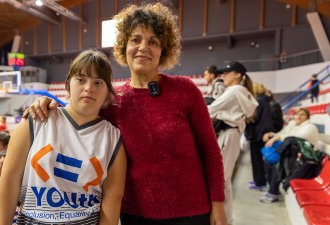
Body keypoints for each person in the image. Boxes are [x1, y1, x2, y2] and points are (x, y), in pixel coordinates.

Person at [23, 3, 227, 225]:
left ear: (163, 50)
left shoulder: (185, 90)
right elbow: (75, 118)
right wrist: (48, 104)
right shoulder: (111, 103)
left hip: (192, 213)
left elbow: (211, 152)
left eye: (153, 42)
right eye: (135, 39)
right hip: (134, 215)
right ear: (124, 46)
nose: (143, 47)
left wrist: (218, 204)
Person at [0, 50, 127, 225]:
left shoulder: (112, 138)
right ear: (68, 84)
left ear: (107, 92)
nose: (89, 88)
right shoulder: (35, 120)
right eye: (81, 80)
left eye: (98, 82)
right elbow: (9, 179)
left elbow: (112, 198)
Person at [208, 61, 258, 225]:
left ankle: (221, 219)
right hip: (232, 135)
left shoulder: (234, 91)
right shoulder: (241, 91)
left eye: (227, 73)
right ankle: (227, 219)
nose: (223, 76)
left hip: (227, 134)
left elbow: (210, 110)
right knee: (225, 181)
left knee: (220, 179)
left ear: (237, 74)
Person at [260, 108, 319, 203]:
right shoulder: (293, 124)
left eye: (302, 115)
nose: (298, 117)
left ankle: (273, 193)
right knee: (268, 162)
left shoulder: (310, 127)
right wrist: (272, 134)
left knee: (278, 163)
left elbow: (293, 138)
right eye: (296, 114)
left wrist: (276, 138)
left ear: (307, 117)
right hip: (292, 156)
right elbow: (283, 134)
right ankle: (273, 190)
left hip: (304, 160)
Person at [245, 83, 274, 191]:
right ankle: (259, 180)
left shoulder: (258, 101)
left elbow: (253, 118)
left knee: (256, 159)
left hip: (257, 134)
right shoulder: (265, 100)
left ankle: (259, 182)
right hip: (261, 133)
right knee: (259, 159)